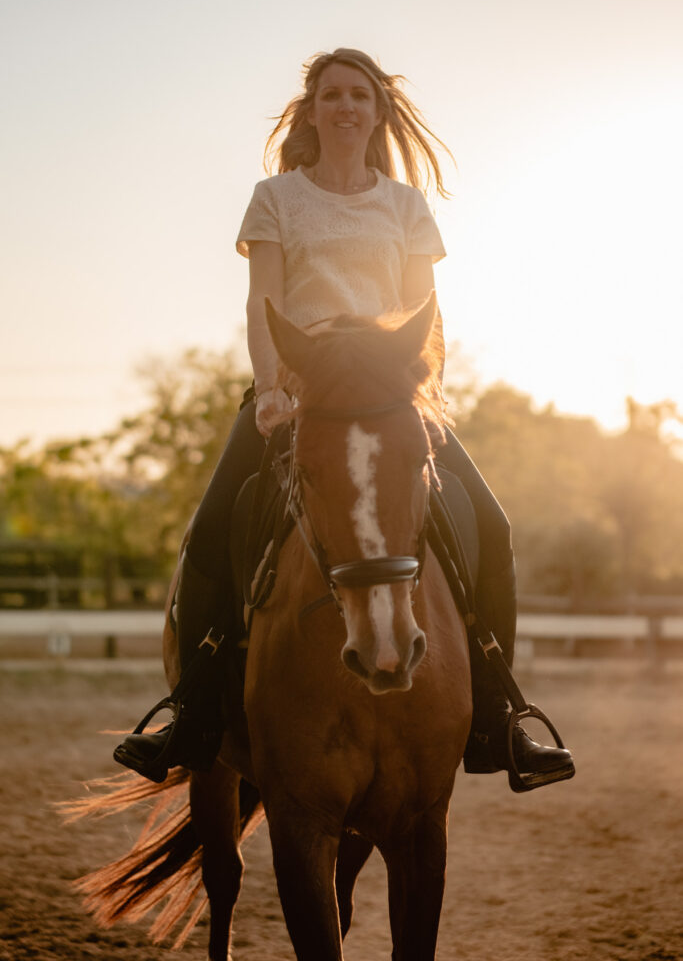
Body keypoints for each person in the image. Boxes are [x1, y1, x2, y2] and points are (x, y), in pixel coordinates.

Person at [114, 48, 574, 786]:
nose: (346, 107)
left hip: (391, 393)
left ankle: (497, 717)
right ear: (313, 109)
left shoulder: (404, 207)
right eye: (332, 95)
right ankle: (192, 713)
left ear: (376, 110)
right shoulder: (275, 198)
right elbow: (262, 305)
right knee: (210, 530)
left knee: (491, 525)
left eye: (359, 95)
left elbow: (429, 317)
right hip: (300, 388)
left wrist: (426, 398)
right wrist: (270, 389)